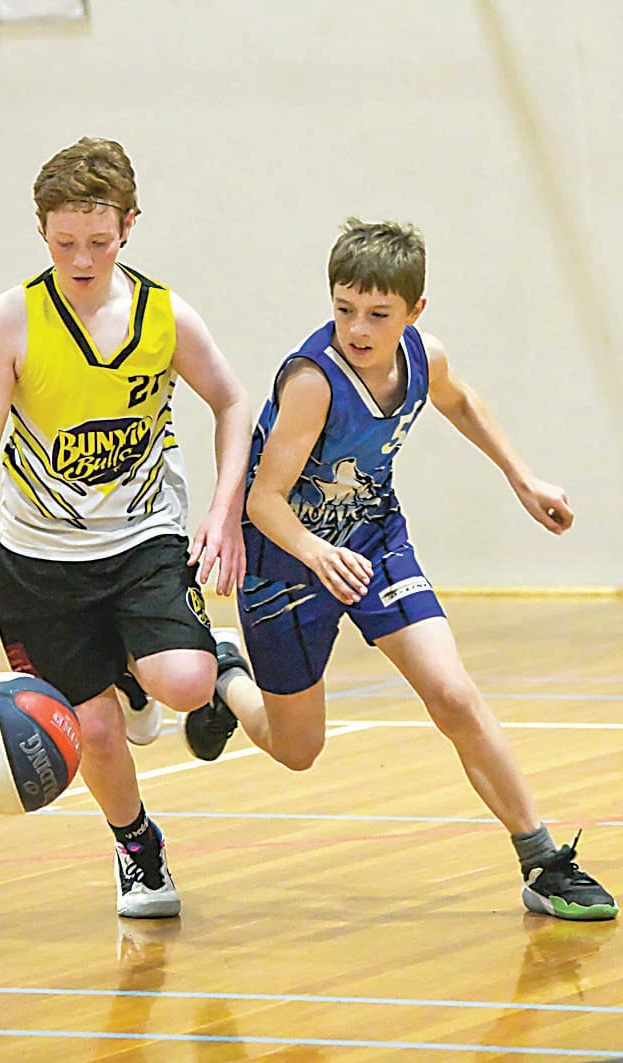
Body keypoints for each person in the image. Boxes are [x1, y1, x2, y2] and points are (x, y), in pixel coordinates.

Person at [180, 217, 618, 922]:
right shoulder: (313, 382)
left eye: (377, 314)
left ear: (414, 311)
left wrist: (521, 477)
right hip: (286, 560)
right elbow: (263, 500)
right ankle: (228, 677)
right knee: (298, 749)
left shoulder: (423, 357)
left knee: (452, 693)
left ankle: (541, 860)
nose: (358, 328)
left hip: (374, 540)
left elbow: (458, 400)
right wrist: (317, 553)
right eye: (344, 308)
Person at [0, 137, 251, 919]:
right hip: (40, 559)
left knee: (186, 681)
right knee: (93, 729)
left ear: (129, 226)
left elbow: (233, 401)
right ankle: (138, 847)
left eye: (98, 241)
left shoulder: (164, 315)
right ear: (41, 230)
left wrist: (223, 508)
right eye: (64, 242)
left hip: (141, 538)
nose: (81, 259)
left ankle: (174, 663)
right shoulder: (12, 320)